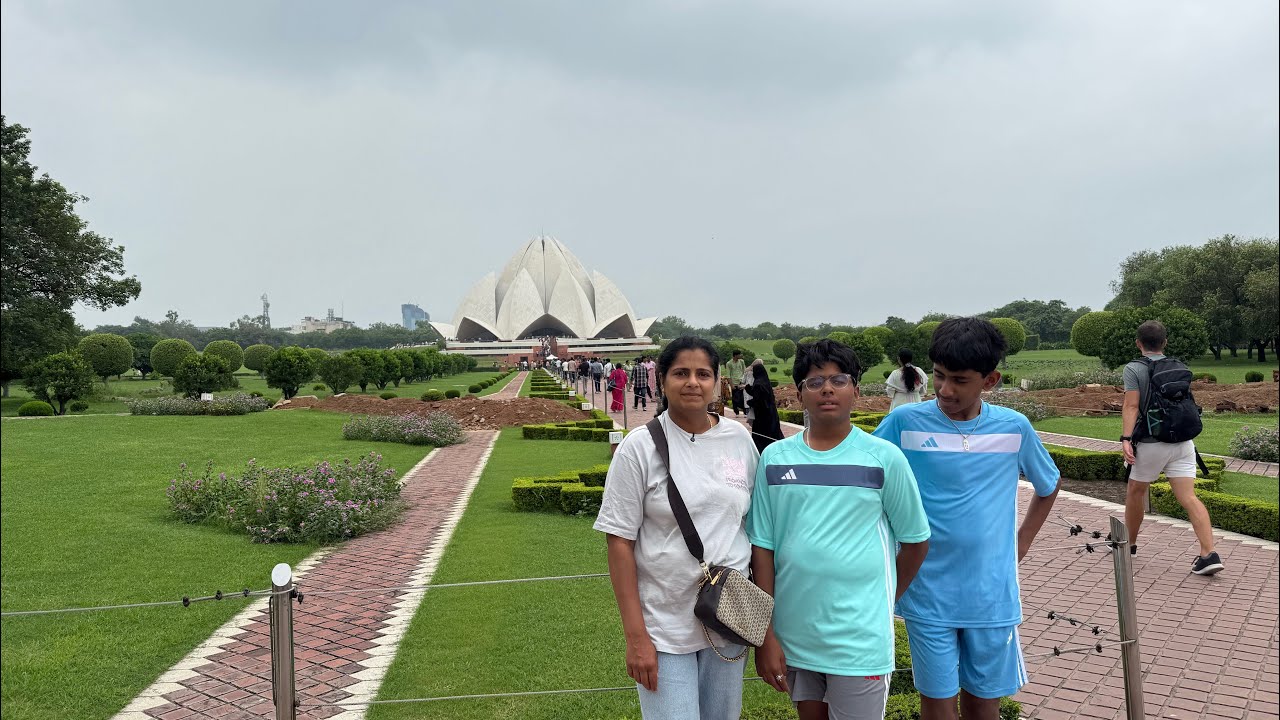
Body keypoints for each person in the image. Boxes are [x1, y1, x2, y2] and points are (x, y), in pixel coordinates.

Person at [872, 318, 1060, 720]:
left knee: (983, 704)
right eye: (938, 376)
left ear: (990, 380)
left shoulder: (1014, 427)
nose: (944, 390)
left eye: (959, 380)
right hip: (926, 591)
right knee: (937, 705)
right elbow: (867, 474)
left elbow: (1048, 485)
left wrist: (1021, 542)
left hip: (992, 594)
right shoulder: (904, 424)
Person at [749, 339, 931, 720]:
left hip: (859, 640)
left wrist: (881, 602)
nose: (827, 389)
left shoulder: (883, 458)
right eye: (815, 382)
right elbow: (762, 549)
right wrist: (765, 636)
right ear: (799, 394)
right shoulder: (775, 459)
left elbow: (915, 542)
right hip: (795, 636)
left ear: (856, 390)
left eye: (839, 380)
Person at [595, 337, 759, 719]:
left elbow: (754, 525)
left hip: (729, 617)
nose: (692, 382)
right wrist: (636, 638)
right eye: (680, 373)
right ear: (662, 381)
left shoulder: (738, 438)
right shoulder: (639, 447)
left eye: (703, 374)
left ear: (718, 383)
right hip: (664, 624)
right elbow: (619, 543)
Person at [1121, 320, 1222, 574]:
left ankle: (1128, 544)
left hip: (1152, 443)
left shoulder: (1134, 369)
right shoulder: (1179, 366)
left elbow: (1132, 406)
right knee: (1188, 497)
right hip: (1183, 442)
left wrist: (1125, 438)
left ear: (1138, 343)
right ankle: (1209, 554)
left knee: (1135, 491)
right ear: (1165, 342)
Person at [745, 360, 783, 453]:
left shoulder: (758, 384)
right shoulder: (764, 381)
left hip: (762, 417)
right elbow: (759, 394)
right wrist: (748, 388)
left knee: (762, 438)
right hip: (771, 413)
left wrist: (749, 402)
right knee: (773, 434)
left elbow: (758, 401)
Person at [725, 350, 747, 417]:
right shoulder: (729, 363)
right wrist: (731, 385)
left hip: (741, 381)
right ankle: (736, 412)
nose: (741, 356)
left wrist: (745, 381)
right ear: (735, 355)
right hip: (734, 382)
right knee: (735, 398)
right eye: (739, 354)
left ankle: (745, 412)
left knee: (743, 397)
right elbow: (728, 375)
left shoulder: (742, 362)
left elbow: (744, 371)